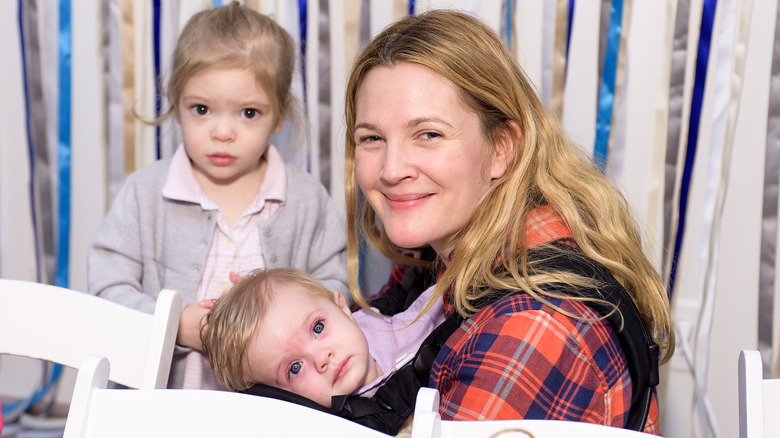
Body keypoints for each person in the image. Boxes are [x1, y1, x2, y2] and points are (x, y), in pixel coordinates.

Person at [343, 9, 674, 434]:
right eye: (372, 138)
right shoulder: (441, 259)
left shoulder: (535, 323)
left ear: (502, 148)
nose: (391, 170)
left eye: (428, 134)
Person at [87, 2, 348, 390]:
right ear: (177, 105)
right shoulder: (144, 194)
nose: (222, 132)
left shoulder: (306, 201)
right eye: (202, 109)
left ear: (279, 114)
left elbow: (335, 292)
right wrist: (174, 324)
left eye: (248, 113)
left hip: (270, 411)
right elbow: (106, 291)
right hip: (160, 409)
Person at [201, 267, 445, 434]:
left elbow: (445, 300)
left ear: (342, 307)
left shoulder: (392, 323)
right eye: (294, 368)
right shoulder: (335, 426)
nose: (321, 358)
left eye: (318, 327)